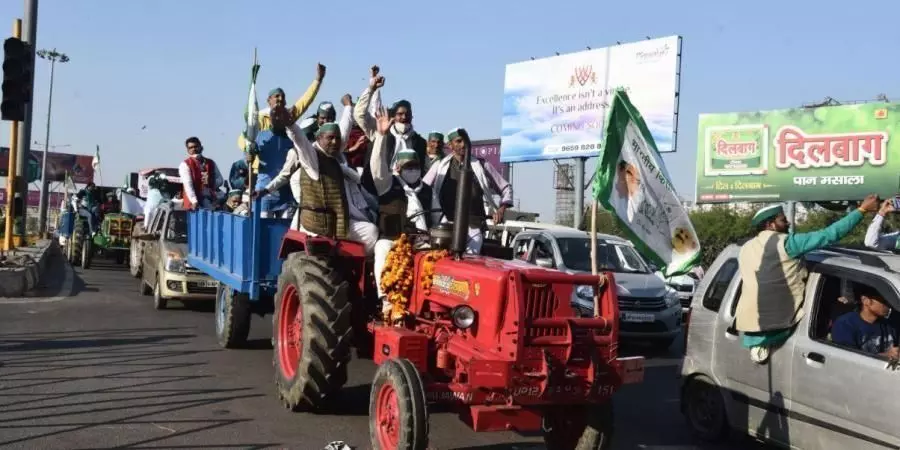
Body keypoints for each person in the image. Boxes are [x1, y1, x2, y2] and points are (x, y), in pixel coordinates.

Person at [736, 196, 879, 363]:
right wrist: (862, 210)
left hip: (748, 325)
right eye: (783, 221)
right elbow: (830, 234)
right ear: (771, 225)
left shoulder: (745, 248)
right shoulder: (787, 243)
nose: (788, 224)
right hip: (779, 325)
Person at [255, 121, 378, 255]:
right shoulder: (302, 156)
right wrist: (267, 190)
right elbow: (285, 174)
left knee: (371, 231)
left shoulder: (334, 159)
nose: (334, 142)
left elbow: (344, 131)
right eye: (329, 138)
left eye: (336, 138)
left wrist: (349, 108)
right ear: (317, 138)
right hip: (315, 218)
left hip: (339, 215)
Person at [369, 107, 434, 317]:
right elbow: (378, 167)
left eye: (415, 166)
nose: (412, 170)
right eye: (408, 166)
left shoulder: (427, 191)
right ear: (398, 167)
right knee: (381, 248)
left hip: (422, 241)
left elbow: (437, 218)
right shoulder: (388, 184)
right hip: (393, 239)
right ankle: (386, 300)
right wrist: (380, 136)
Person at [422, 128, 514, 254]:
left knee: (471, 257)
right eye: (458, 141)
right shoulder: (440, 166)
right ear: (450, 145)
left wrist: (501, 209)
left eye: (465, 140)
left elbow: (506, 188)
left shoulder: (481, 165)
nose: (463, 144)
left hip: (473, 225)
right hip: (445, 225)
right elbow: (423, 188)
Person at [236, 63, 326, 151]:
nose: (280, 99)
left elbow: (305, 100)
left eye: (283, 96)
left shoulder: (288, 116)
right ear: (269, 101)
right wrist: (249, 148)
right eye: (277, 96)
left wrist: (318, 80)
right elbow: (243, 139)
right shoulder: (260, 118)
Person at [354, 66, 428, 167]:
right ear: (392, 117)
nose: (404, 117)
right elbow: (359, 114)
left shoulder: (420, 142)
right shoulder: (380, 133)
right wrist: (372, 88)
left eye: (407, 114)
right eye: (400, 114)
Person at [831, 283, 899, 360]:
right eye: (883, 300)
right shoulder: (845, 324)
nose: (889, 304)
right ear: (865, 300)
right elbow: (846, 359)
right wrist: (884, 356)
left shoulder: (889, 324)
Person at [178, 137, 224, 210]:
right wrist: (194, 201)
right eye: (191, 148)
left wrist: (211, 182)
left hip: (210, 200)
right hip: (194, 203)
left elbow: (220, 180)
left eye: (196, 146)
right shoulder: (185, 164)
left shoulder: (211, 162)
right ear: (188, 150)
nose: (194, 149)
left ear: (201, 147)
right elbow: (188, 185)